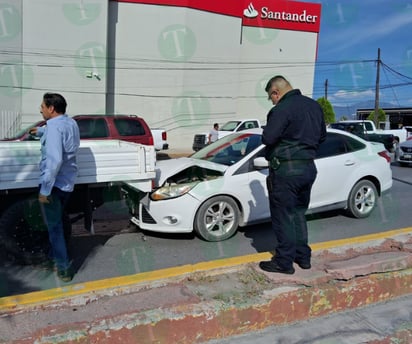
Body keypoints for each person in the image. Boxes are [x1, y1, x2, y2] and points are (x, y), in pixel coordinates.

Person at [259, 75, 326, 275]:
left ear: (275, 93)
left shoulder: (281, 109)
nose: (272, 101)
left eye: (271, 97)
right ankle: (303, 257)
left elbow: (268, 137)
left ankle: (284, 262)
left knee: (284, 217)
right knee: (298, 214)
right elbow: (322, 137)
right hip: (308, 168)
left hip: (286, 170)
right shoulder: (314, 107)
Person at [37, 93, 80, 282]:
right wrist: (39, 133)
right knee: (57, 223)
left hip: (54, 185)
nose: (40, 109)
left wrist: (45, 190)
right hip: (67, 183)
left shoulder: (54, 127)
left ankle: (63, 268)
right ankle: (52, 257)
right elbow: (63, 141)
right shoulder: (71, 123)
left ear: (51, 108)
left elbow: (54, 160)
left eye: (42, 106)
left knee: (54, 228)